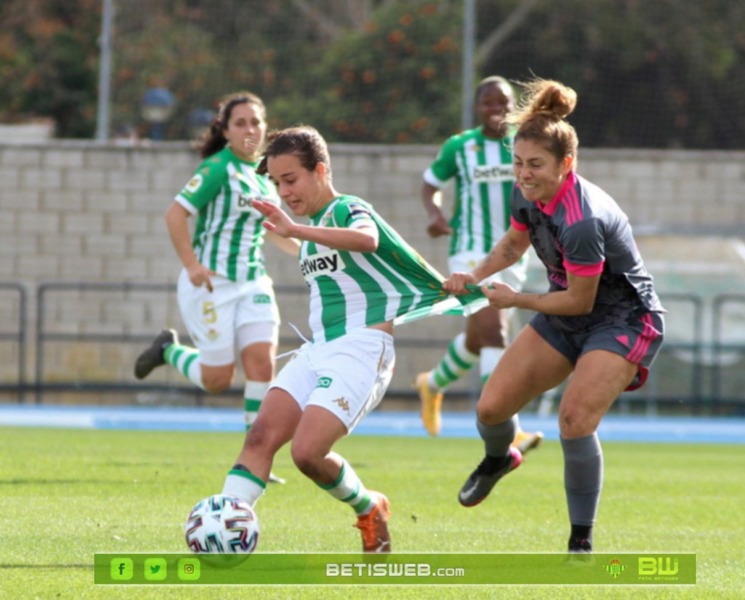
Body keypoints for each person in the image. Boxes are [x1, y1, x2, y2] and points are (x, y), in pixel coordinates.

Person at [218, 125, 483, 554]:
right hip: (317, 350)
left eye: (291, 180)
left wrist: (294, 230)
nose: (285, 191)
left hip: (361, 349)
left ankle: (368, 507)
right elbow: (307, 245)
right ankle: (224, 525)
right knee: (259, 436)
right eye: (277, 183)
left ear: (320, 170)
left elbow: (368, 238)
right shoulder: (312, 230)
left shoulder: (346, 209)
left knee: (306, 453)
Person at [444, 79, 665, 554]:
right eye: (518, 163)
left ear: (567, 164)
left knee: (574, 419)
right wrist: (472, 276)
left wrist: (513, 299)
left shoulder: (582, 220)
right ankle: (499, 459)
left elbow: (582, 302)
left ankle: (580, 541)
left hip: (622, 318)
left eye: (535, 165)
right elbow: (512, 244)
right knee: (490, 408)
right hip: (568, 306)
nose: (523, 174)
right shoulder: (525, 190)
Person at [134, 91, 299, 484]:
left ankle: (255, 453)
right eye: (240, 123)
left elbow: (275, 232)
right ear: (224, 130)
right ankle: (168, 350)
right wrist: (191, 265)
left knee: (262, 362)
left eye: (256, 122)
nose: (250, 130)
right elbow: (175, 214)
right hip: (212, 284)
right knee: (217, 380)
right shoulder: (217, 169)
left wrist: (310, 254)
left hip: (254, 282)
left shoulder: (263, 175)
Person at [414, 75, 543, 455]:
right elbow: (429, 184)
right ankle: (504, 424)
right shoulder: (460, 147)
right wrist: (435, 213)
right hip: (469, 252)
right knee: (494, 332)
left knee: (478, 339)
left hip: (514, 249)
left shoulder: (523, 143)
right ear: (477, 107)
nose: (497, 110)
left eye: (504, 103)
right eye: (489, 103)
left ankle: (432, 384)